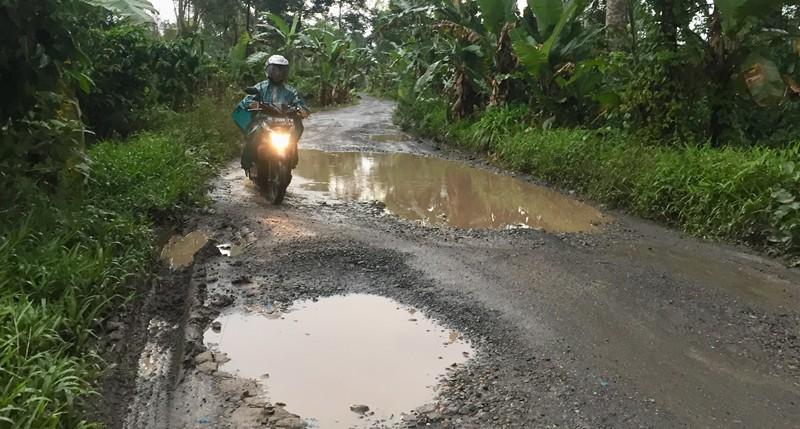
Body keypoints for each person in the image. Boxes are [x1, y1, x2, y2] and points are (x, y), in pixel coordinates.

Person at [232, 54, 310, 172]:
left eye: (281, 70)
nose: (278, 73)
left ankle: (292, 159)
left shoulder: (291, 91)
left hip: (285, 121)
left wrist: (302, 109)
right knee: (253, 134)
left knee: (294, 134)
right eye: (275, 69)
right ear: (268, 70)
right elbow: (248, 99)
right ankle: (248, 163)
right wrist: (251, 103)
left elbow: (299, 102)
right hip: (263, 120)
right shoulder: (260, 87)